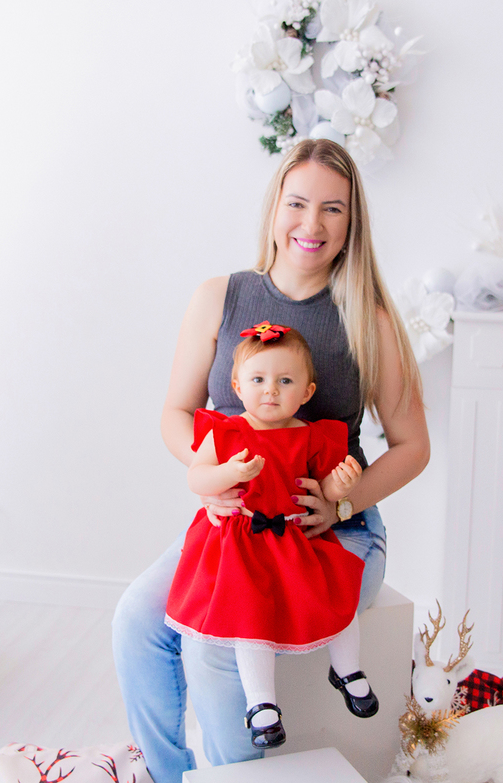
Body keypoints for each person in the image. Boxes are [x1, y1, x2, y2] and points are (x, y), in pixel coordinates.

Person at [112, 139, 430, 783]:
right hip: (236, 528)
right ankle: (170, 775)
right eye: (298, 203)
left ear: (352, 223)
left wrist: (344, 502)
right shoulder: (219, 297)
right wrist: (210, 478)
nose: (312, 224)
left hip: (330, 534)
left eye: (333, 209)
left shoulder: (367, 320)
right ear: (275, 207)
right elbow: (177, 412)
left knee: (217, 645)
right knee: (136, 623)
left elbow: (413, 446)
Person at [166, 324, 376, 751]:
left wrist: (341, 483)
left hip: (295, 538)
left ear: (307, 391)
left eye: (285, 381)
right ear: (237, 386)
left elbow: (324, 489)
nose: (270, 390)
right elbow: (197, 477)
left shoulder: (311, 435)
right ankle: (261, 703)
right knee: (251, 618)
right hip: (242, 543)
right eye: (258, 379)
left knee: (337, 593)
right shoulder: (226, 432)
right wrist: (228, 473)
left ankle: (348, 669)